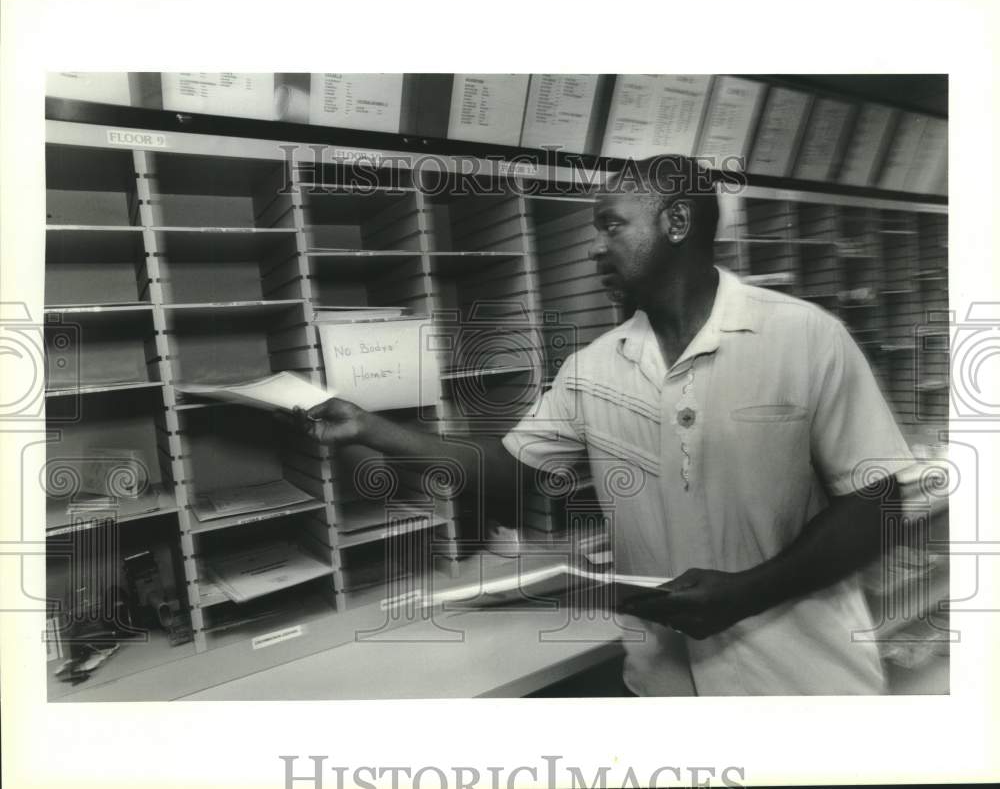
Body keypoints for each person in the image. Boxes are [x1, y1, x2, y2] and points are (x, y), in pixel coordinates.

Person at [297, 155, 915, 696]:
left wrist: (748, 592)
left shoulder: (806, 338)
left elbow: (876, 503)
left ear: (676, 222)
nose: (595, 246)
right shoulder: (592, 368)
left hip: (802, 690)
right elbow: (506, 473)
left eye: (612, 224)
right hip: (664, 691)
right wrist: (369, 429)